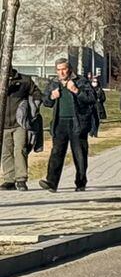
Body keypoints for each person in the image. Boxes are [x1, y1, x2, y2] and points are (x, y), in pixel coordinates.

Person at [42, 59, 92, 191]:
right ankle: (52, 182)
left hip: (77, 122)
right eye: (58, 69)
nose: (61, 72)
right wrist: (51, 97)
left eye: (63, 69)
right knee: (56, 152)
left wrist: (76, 90)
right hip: (60, 123)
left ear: (69, 69)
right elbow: (46, 102)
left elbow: (91, 98)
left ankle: (80, 182)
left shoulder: (81, 81)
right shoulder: (53, 83)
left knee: (79, 154)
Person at [1, 68, 33, 190]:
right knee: (6, 153)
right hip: (3, 124)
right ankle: (9, 180)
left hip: (19, 123)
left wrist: (30, 111)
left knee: (20, 150)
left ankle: (21, 179)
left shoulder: (24, 80)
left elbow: (36, 95)